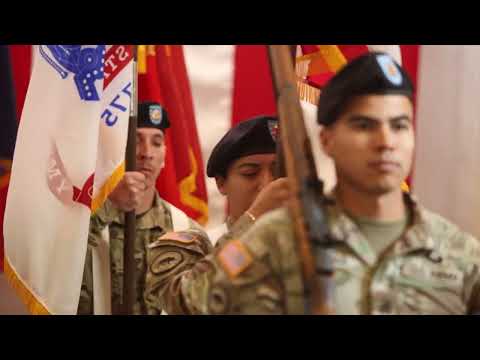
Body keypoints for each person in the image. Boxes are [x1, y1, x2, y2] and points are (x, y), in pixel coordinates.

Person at [145, 52, 480, 315]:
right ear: (327, 139)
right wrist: (252, 225)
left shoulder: (460, 253)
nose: (385, 141)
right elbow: (189, 303)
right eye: (364, 125)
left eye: (399, 125)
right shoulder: (271, 242)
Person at [77, 101, 206, 315]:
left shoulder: (186, 232)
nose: (146, 153)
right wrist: (109, 204)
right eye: (135, 141)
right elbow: (56, 272)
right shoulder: (86, 223)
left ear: (164, 156)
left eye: (156, 143)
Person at [205, 116, 289, 245]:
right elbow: (215, 265)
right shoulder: (202, 246)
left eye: (277, 171)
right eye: (250, 173)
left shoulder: (308, 244)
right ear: (221, 183)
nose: (267, 184)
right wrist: (253, 218)